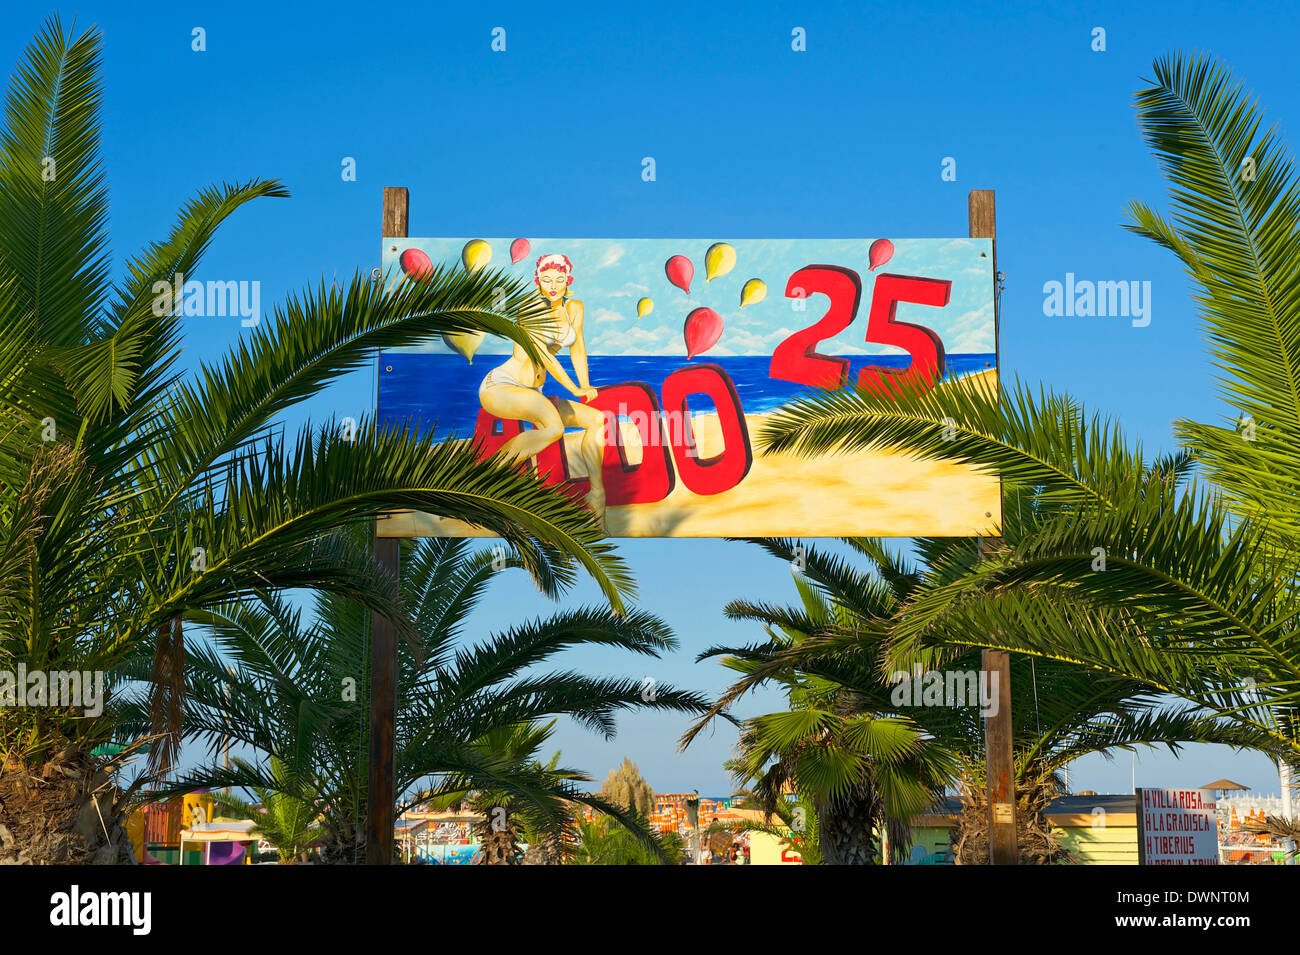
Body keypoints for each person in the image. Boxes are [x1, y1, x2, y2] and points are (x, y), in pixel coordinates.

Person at [478, 253, 607, 529]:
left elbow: (578, 349)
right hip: (502, 386)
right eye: (546, 279)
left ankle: (597, 495)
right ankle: (485, 477)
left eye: (559, 280)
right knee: (554, 428)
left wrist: (585, 386)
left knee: (596, 420)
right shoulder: (530, 307)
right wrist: (573, 387)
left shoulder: (575, 309)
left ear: (567, 281)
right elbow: (546, 357)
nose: (553, 285)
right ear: (538, 280)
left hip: (532, 392)